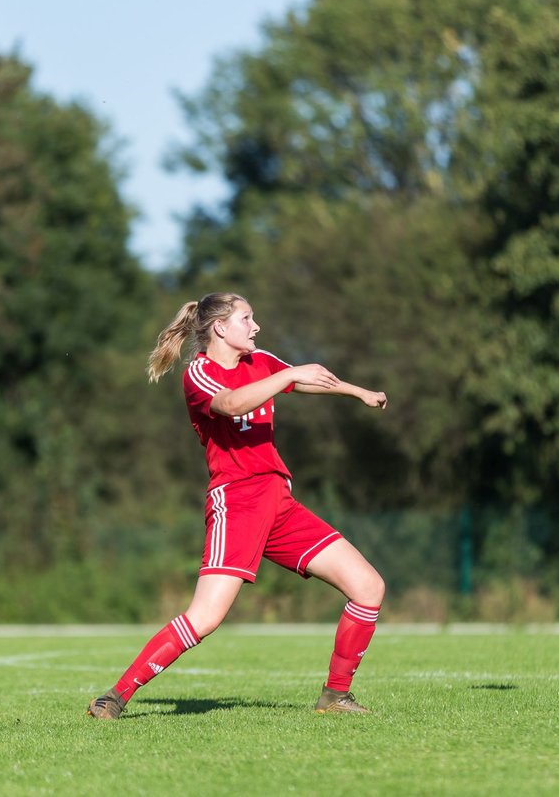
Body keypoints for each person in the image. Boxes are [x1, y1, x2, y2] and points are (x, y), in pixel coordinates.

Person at [87, 292, 388, 719]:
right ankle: (114, 696)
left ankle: (335, 696)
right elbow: (229, 404)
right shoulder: (199, 373)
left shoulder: (260, 361)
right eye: (247, 318)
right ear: (221, 328)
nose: (256, 326)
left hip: (278, 501)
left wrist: (360, 392)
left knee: (368, 587)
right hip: (238, 501)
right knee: (205, 617)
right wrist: (286, 378)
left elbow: (307, 379)